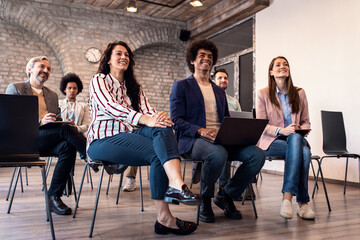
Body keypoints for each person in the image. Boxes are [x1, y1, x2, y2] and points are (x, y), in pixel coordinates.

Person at [87, 41, 201, 235]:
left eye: (127, 55)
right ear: (108, 60)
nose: (124, 57)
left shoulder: (135, 88)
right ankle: (169, 210)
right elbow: (110, 107)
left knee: (163, 130)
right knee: (158, 146)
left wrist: (160, 117)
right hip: (103, 140)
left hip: (129, 134)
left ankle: (171, 197)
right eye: (118, 54)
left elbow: (150, 112)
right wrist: (147, 119)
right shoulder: (99, 80)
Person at [170, 38, 265, 223]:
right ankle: (206, 198)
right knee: (218, 153)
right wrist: (201, 130)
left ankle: (226, 194)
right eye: (202, 55)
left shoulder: (219, 91)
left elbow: (226, 120)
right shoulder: (181, 86)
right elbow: (176, 120)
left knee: (257, 155)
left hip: (221, 139)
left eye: (210, 56)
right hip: (194, 140)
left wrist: (237, 134)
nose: (207, 58)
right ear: (192, 60)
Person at [6, 56, 87, 216]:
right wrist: (40, 121)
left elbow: (56, 119)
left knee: (68, 146)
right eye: (42, 66)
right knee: (65, 130)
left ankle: (53, 196)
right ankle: (90, 154)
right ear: (29, 69)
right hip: (25, 140)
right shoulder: (16, 88)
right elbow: (11, 121)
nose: (46, 71)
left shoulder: (51, 95)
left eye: (49, 69)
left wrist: (61, 121)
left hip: (47, 139)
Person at [256, 56, 315, 220]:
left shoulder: (299, 93)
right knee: (304, 153)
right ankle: (303, 203)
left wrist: (299, 129)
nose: (283, 66)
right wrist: (281, 131)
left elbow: (306, 121)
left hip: (295, 138)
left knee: (296, 139)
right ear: (271, 72)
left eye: (285, 64)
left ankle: (287, 199)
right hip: (272, 141)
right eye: (278, 65)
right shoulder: (263, 94)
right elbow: (261, 125)